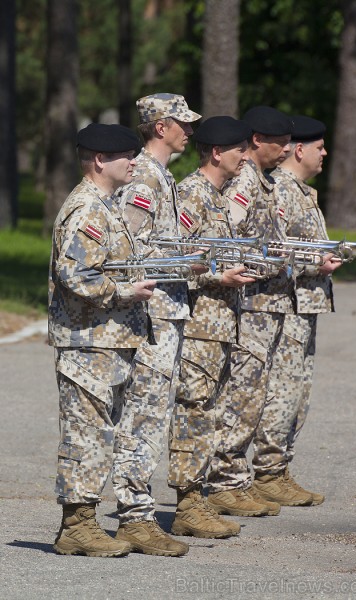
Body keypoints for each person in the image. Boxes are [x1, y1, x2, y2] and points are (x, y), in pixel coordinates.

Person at [49, 123, 157, 557]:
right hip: (87, 342)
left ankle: (85, 521)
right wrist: (124, 291)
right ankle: (76, 526)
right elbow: (74, 274)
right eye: (126, 156)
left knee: (100, 433)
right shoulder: (87, 209)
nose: (134, 162)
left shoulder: (107, 205)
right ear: (99, 160)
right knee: (85, 434)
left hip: (108, 341)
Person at [111, 93, 202, 557]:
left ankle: (139, 511)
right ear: (160, 127)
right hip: (152, 315)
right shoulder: (144, 175)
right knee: (142, 416)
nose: (189, 131)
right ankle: (134, 516)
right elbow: (131, 248)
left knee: (153, 413)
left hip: (168, 311)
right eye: (182, 123)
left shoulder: (159, 175)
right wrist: (188, 261)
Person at [167, 115, 258, 539]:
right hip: (200, 326)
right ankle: (187, 504)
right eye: (240, 149)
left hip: (220, 326)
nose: (246, 156)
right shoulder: (191, 195)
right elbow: (173, 261)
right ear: (217, 152)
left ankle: (198, 497)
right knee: (193, 412)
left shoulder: (218, 196)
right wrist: (217, 278)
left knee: (208, 413)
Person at [206, 106, 298, 514]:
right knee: (240, 396)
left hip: (265, 305)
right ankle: (225, 480)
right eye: (280, 142)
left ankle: (237, 478)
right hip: (249, 305)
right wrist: (261, 262)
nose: (287, 149)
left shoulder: (264, 180)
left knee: (253, 396)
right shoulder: (243, 180)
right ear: (258, 140)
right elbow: (230, 238)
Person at [251, 115, 342, 505]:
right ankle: (267, 472)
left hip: (304, 304)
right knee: (283, 392)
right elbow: (272, 250)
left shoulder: (302, 191)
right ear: (300, 150)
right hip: (285, 305)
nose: (325, 154)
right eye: (320, 147)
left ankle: (279, 467)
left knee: (298, 392)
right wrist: (314, 263)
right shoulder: (282, 191)